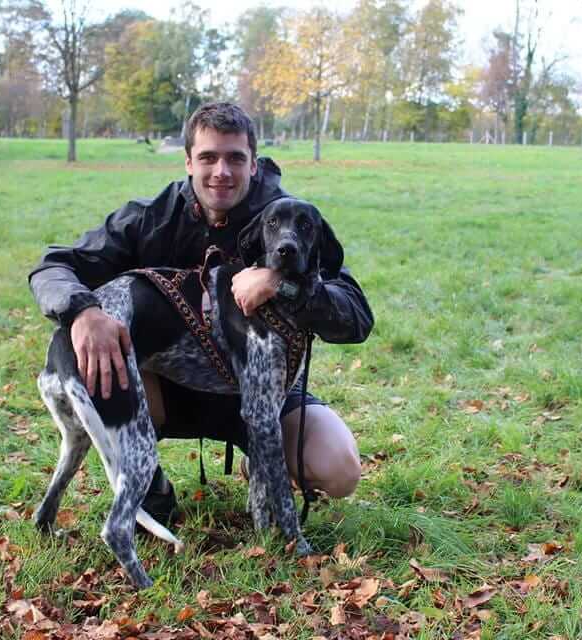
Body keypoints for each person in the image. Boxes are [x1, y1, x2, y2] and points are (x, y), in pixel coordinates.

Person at [29, 102, 373, 523]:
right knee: (90, 357)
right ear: (189, 161)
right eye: (208, 157)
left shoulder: (289, 220)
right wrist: (82, 312)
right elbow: (54, 267)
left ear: (254, 163)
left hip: (267, 389)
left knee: (339, 469)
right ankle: (151, 492)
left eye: (235, 158)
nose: (221, 172)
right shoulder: (149, 218)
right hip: (170, 389)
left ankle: (264, 465)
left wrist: (281, 281)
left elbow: (355, 315)